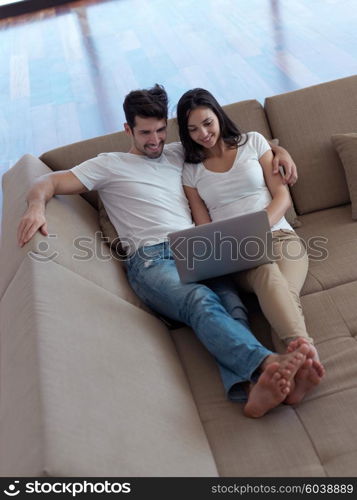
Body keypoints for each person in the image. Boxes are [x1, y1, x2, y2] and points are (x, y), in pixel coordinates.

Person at [17, 84, 310, 418]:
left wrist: (280, 150)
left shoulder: (178, 154)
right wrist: (36, 206)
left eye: (159, 130)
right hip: (151, 259)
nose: (154, 140)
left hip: (200, 249)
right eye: (145, 133)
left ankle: (250, 389)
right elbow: (50, 181)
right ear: (128, 129)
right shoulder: (107, 165)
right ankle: (266, 364)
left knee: (234, 306)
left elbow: (240, 146)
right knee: (200, 301)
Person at [176, 88, 325, 405]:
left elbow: (282, 196)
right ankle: (305, 351)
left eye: (207, 123)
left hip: (283, 238)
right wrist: (243, 240)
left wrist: (260, 227)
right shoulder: (191, 171)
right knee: (268, 273)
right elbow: (205, 226)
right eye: (193, 129)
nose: (203, 134)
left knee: (284, 290)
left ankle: (293, 373)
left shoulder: (254, 143)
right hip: (239, 255)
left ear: (218, 115)